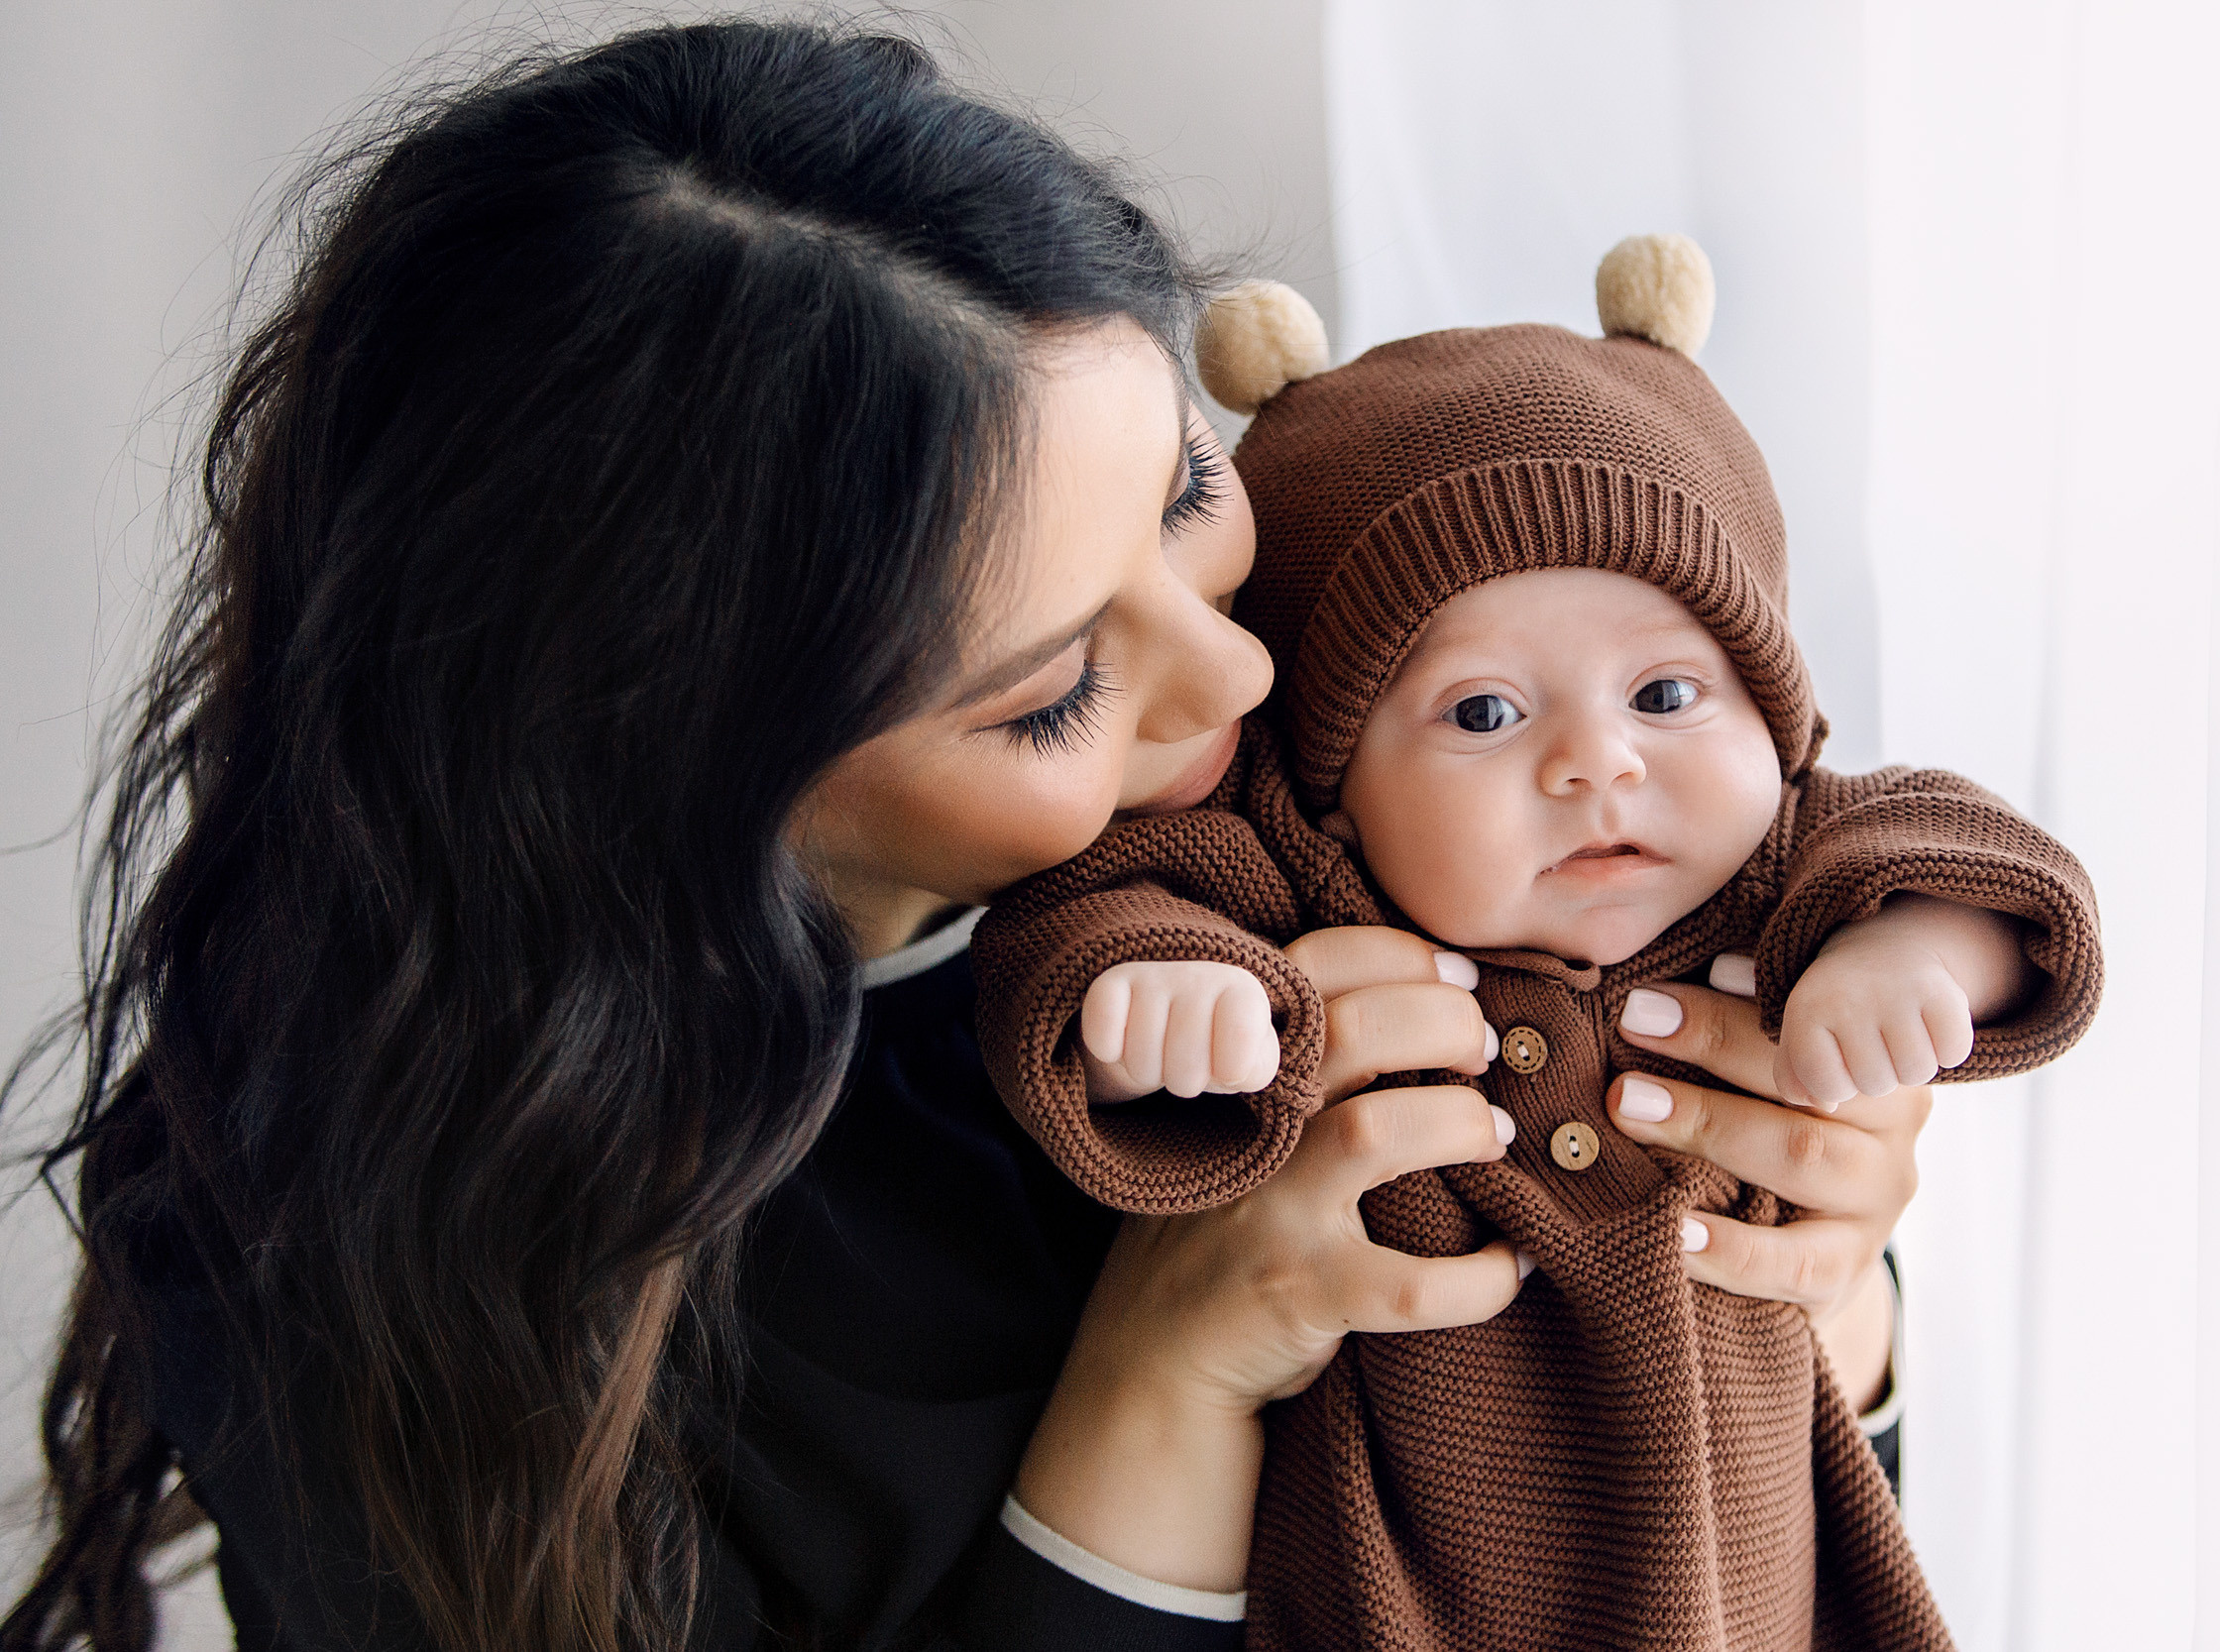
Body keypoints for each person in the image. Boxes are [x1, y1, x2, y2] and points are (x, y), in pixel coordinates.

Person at [1, 22, 1934, 1652]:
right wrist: (1156, 1389)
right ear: (669, 754)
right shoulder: (330, 1246)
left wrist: (1808, 1287)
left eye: (1181, 489)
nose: (1235, 684)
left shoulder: (1363, 771)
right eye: (1041, 690)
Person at [970, 243, 2101, 1648]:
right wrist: (1157, 1000)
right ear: (1326, 783)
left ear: (1778, 722)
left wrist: (1926, 955)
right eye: (1486, 716)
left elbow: (1991, 862)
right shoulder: (1314, 909)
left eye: (1669, 691)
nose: (1597, 763)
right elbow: (1085, 920)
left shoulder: (1786, 883)